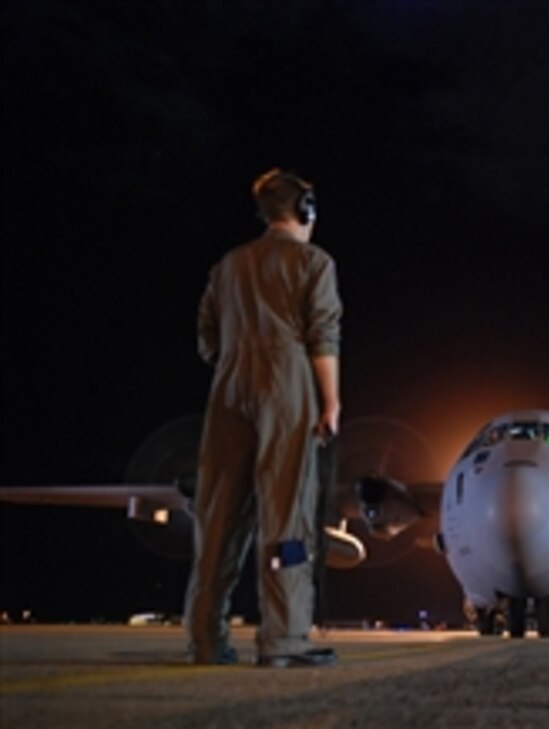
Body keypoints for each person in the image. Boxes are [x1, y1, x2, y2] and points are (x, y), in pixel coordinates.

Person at [185, 168, 342, 668]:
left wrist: (239, 361)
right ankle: (284, 639)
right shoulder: (313, 262)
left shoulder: (227, 266)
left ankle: (206, 641)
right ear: (306, 210)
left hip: (228, 388)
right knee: (286, 515)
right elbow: (323, 336)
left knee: (218, 518)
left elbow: (206, 340)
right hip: (287, 383)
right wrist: (330, 402)